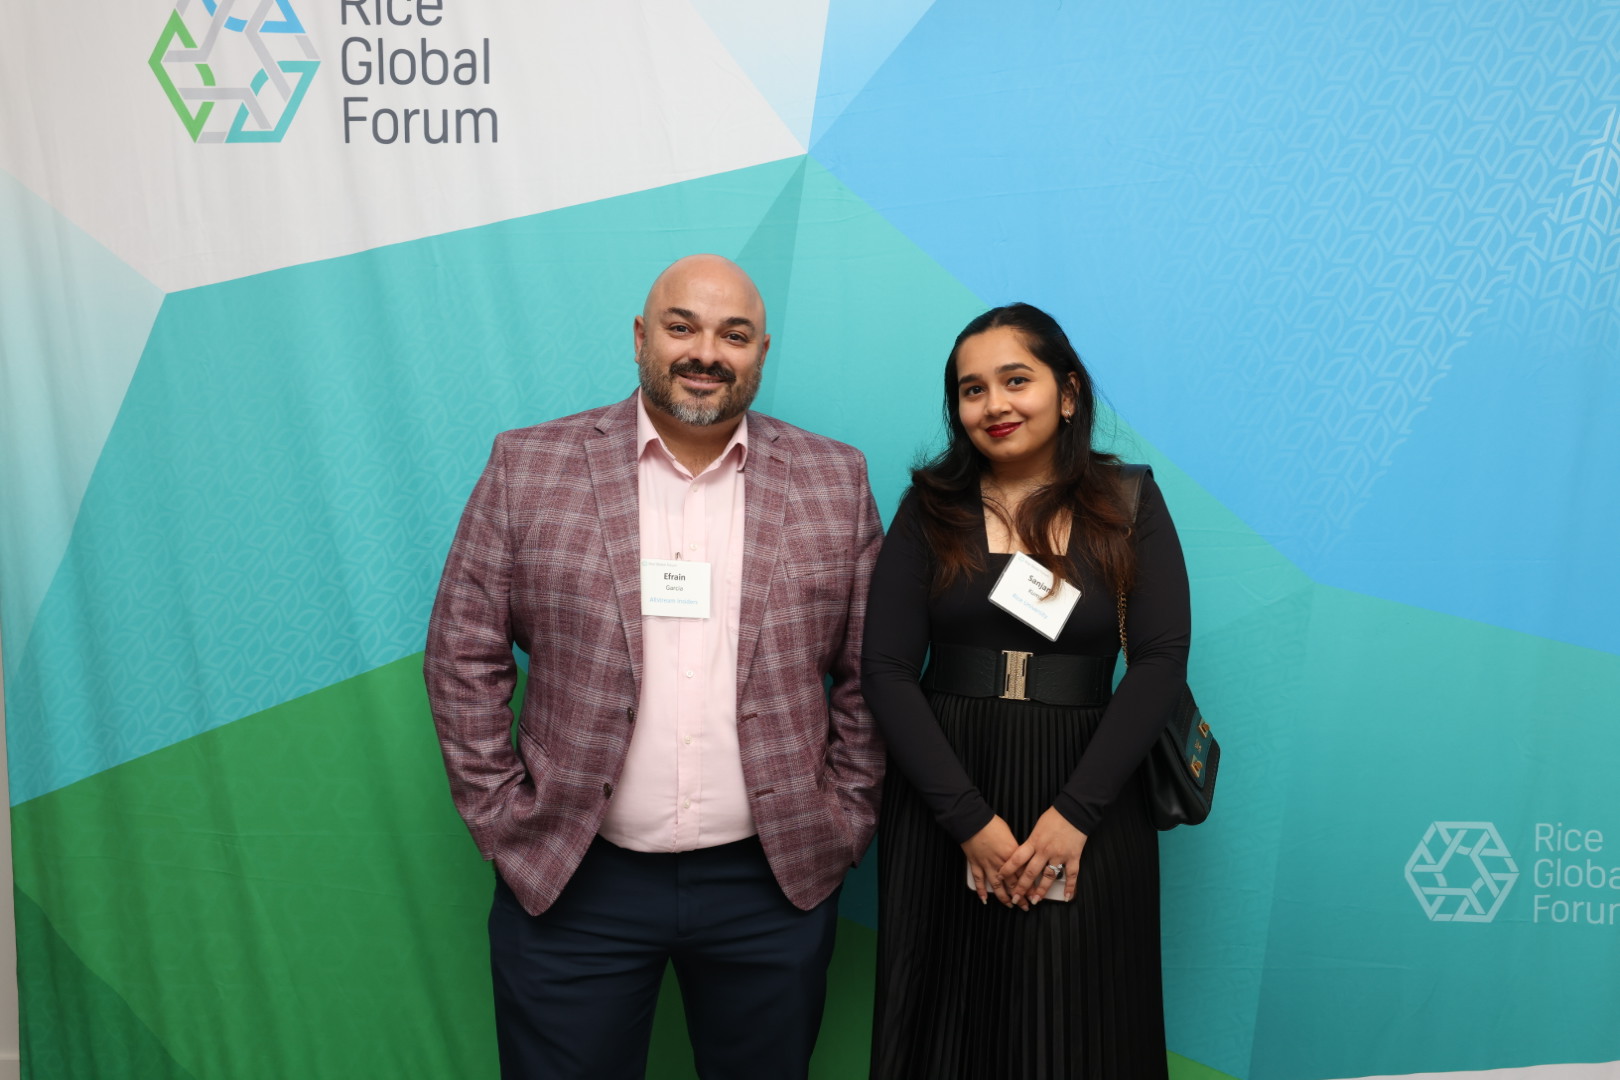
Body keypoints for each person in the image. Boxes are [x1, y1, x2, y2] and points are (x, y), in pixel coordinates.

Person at [423, 254, 884, 1080]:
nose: (706, 352)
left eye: (733, 335)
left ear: (761, 352)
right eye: (682, 327)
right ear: (641, 337)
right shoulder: (529, 465)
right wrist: (503, 815)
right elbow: (463, 649)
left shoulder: (835, 479)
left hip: (773, 882)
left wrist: (844, 814)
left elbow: (869, 670)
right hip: (574, 875)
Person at [862, 303, 1190, 1079]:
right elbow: (885, 669)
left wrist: (1075, 815)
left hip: (1088, 795)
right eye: (972, 390)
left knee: (1078, 1029)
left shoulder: (1129, 503)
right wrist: (968, 821)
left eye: (1016, 380)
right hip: (948, 794)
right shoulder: (928, 508)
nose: (994, 405)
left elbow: (1159, 659)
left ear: (1067, 393)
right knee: (945, 1027)